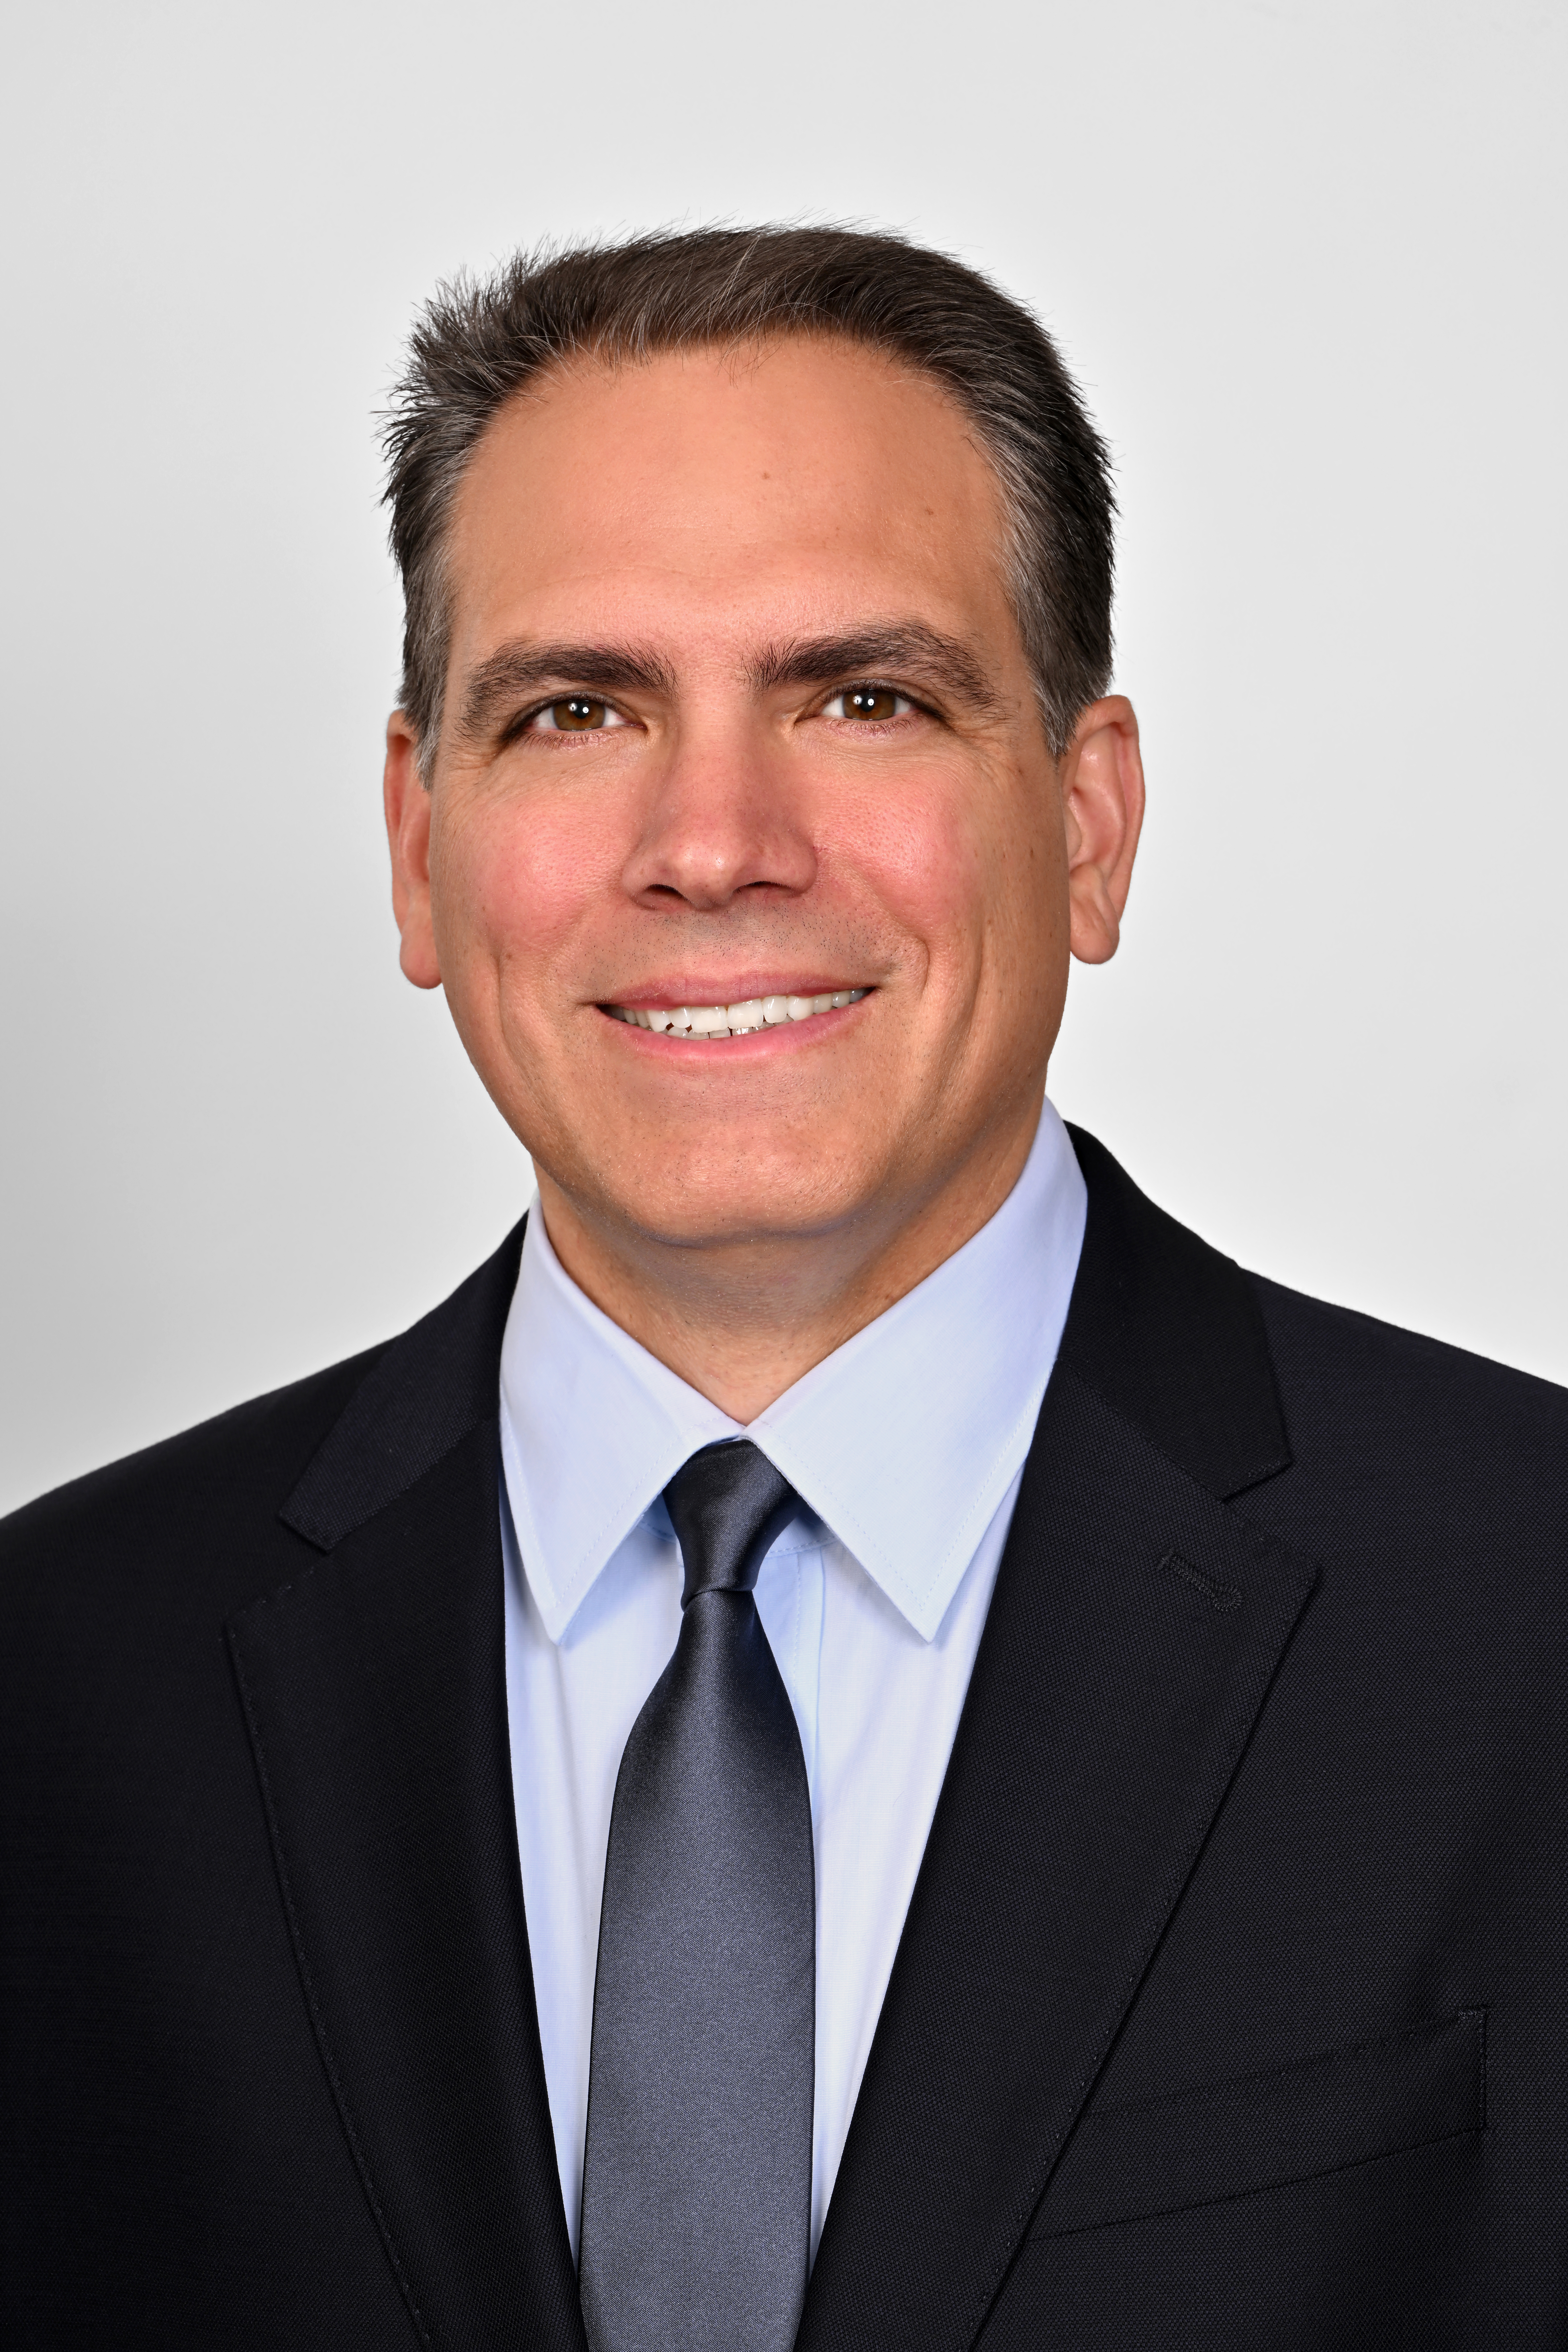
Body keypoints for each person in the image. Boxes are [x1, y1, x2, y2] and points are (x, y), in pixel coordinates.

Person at [2, 225, 1565, 2352]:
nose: (716, 841)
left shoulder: (1527, 1611)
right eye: (574, 710)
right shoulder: (58, 1687)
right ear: (416, 845)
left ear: (1090, 825)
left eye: (865, 698)